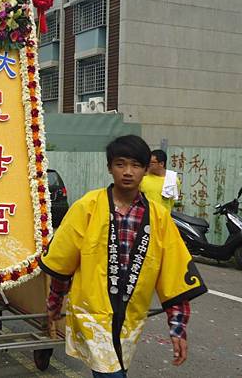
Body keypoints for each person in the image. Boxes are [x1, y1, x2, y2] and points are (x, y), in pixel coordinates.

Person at [40, 135, 207, 377]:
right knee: (111, 373)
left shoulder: (159, 218)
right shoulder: (87, 207)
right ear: (109, 167)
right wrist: (54, 303)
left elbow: (174, 273)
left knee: (117, 367)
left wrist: (178, 328)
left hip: (131, 314)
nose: (128, 172)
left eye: (136, 165)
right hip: (93, 313)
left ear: (145, 170)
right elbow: (63, 261)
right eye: (120, 164)